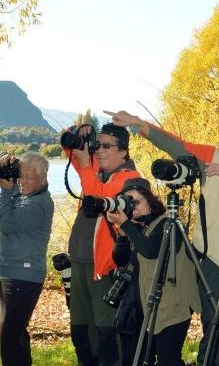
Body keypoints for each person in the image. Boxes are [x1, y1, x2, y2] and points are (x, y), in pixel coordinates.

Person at [105, 104, 219, 366]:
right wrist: (138, 123)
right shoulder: (211, 156)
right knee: (213, 329)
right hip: (210, 264)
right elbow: (176, 144)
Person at [66, 123, 141, 366]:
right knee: (81, 332)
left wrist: (87, 166)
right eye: (98, 145)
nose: (99, 151)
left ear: (124, 150)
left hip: (105, 269)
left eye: (106, 146)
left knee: (106, 334)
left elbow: (98, 197)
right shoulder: (99, 172)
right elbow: (73, 154)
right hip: (80, 263)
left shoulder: (130, 179)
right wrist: (80, 135)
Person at [107, 178, 201, 366]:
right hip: (147, 307)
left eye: (137, 201)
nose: (133, 207)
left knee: (168, 359)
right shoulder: (137, 228)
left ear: (151, 201)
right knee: (144, 359)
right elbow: (120, 259)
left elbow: (151, 250)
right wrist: (123, 234)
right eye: (128, 202)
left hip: (174, 306)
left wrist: (126, 224)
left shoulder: (169, 224)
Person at [0, 152, 53, 366]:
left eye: (28, 177)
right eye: (20, 175)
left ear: (43, 178)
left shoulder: (40, 203)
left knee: (10, 333)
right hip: (10, 273)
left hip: (24, 276)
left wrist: (5, 190)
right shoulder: (25, 196)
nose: (22, 181)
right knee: (12, 333)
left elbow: (7, 223)